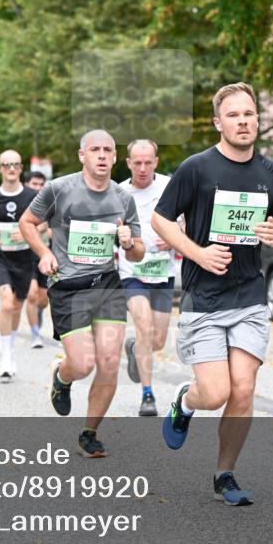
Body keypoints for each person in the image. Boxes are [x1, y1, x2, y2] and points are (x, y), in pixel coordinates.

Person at [152, 82, 273, 506]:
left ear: (257, 119)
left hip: (250, 297)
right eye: (234, 115)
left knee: (244, 390)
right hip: (205, 298)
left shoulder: (271, 173)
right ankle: (185, 400)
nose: (243, 121)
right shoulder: (197, 168)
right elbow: (162, 220)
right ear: (219, 122)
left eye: (249, 114)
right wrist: (198, 252)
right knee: (215, 393)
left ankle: (225, 474)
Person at [19, 129, 143, 457]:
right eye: (95, 150)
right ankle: (62, 375)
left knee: (109, 361)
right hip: (69, 288)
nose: (102, 156)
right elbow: (27, 222)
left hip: (106, 284)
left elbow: (137, 253)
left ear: (115, 157)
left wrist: (129, 242)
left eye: (108, 150)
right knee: (83, 364)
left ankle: (90, 432)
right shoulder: (58, 189)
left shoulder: (123, 197)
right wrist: (43, 253)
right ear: (82, 155)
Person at [118, 139, 177, 416]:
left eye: (148, 162)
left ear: (156, 161)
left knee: (158, 340)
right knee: (144, 327)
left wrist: (177, 238)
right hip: (132, 272)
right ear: (129, 163)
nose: (142, 168)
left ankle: (133, 348)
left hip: (162, 271)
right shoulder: (118, 192)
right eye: (137, 163)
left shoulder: (169, 186)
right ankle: (147, 394)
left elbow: (187, 220)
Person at [0, 150, 39, 380]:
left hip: (24, 258)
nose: (11, 169)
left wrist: (30, 231)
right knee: (7, 303)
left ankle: (8, 344)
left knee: (17, 306)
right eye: (6, 165)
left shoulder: (32, 196)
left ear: (21, 168)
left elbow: (45, 222)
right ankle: (6, 356)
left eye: (15, 165)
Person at [23, 171, 51, 348]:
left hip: (44, 253)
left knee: (43, 299)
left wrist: (41, 230)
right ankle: (35, 334)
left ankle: (37, 313)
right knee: (31, 294)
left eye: (41, 184)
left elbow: (49, 222)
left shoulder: (47, 201)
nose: (38, 188)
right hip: (25, 256)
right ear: (26, 184)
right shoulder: (21, 201)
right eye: (35, 184)